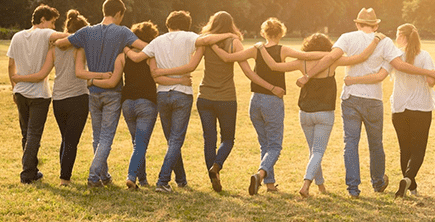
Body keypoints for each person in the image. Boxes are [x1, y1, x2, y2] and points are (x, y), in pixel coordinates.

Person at [295, 8, 435, 198]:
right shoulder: (385, 42)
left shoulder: (347, 37)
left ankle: (353, 188)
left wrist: (308, 75)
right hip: (373, 99)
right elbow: (399, 66)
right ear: (376, 25)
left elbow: (331, 57)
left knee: (350, 143)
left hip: (350, 98)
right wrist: (430, 72)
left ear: (357, 24)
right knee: (376, 144)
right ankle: (378, 182)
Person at [152, 11, 280, 193]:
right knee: (228, 139)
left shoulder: (206, 41)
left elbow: (191, 65)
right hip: (226, 98)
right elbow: (248, 72)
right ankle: (216, 167)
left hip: (205, 97)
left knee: (208, 140)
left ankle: (214, 175)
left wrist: (164, 72)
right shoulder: (234, 42)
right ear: (231, 24)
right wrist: (270, 87)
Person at [256, 32, 382, 198]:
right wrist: (376, 40)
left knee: (313, 151)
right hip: (324, 114)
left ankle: (320, 185)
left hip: (305, 113)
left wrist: (260, 48)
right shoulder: (333, 61)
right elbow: (360, 57)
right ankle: (306, 184)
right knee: (317, 152)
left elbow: (274, 66)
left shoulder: (302, 62)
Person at [124, 10, 238, 193]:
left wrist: (125, 48)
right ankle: (162, 181)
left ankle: (181, 180)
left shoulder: (157, 41)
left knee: (172, 140)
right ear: (187, 24)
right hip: (182, 94)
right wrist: (230, 34)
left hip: (162, 94)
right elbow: (208, 40)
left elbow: (137, 58)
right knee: (175, 141)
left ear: (168, 23)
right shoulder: (189, 37)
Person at [84, 21, 193, 190]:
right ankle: (131, 176)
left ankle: (142, 179)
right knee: (140, 144)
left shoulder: (123, 55)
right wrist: (181, 80)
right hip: (146, 103)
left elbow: (115, 80)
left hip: (127, 103)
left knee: (137, 142)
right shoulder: (151, 55)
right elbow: (157, 76)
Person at [53, 0, 147, 187]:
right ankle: (94, 176)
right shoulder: (122, 32)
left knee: (97, 137)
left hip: (93, 91)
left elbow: (61, 44)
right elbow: (144, 47)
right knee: (106, 138)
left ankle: (104, 176)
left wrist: (74, 40)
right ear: (119, 13)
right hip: (113, 93)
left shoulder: (86, 32)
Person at [211, 17, 308, 195]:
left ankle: (270, 185)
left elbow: (227, 57)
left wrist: (213, 45)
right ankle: (260, 175)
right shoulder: (283, 49)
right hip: (272, 101)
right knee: (275, 146)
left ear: (263, 32)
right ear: (281, 33)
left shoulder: (255, 50)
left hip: (255, 101)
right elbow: (305, 57)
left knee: (265, 144)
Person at [342, 23, 435, 199]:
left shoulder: (393, 56)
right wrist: (432, 74)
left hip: (400, 109)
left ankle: (411, 187)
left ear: (402, 37)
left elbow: (379, 76)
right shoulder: (424, 56)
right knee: (418, 150)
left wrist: (353, 79)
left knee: (405, 149)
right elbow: (431, 82)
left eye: (397, 35)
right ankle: (408, 179)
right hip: (421, 108)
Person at [12, 9, 91, 186]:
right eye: (52, 23)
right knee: (68, 141)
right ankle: (60, 178)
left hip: (57, 100)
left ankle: (43, 172)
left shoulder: (52, 48)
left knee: (61, 139)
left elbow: (38, 71)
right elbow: (81, 68)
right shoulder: (77, 46)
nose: (54, 27)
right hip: (72, 97)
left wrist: (17, 81)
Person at [7, 4, 69, 184]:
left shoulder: (17, 36)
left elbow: (11, 66)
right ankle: (27, 174)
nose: (53, 27)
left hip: (20, 92)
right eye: (52, 22)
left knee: (26, 134)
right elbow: (69, 36)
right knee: (34, 135)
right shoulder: (44, 34)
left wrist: (14, 87)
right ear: (43, 20)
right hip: (39, 95)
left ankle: (32, 170)